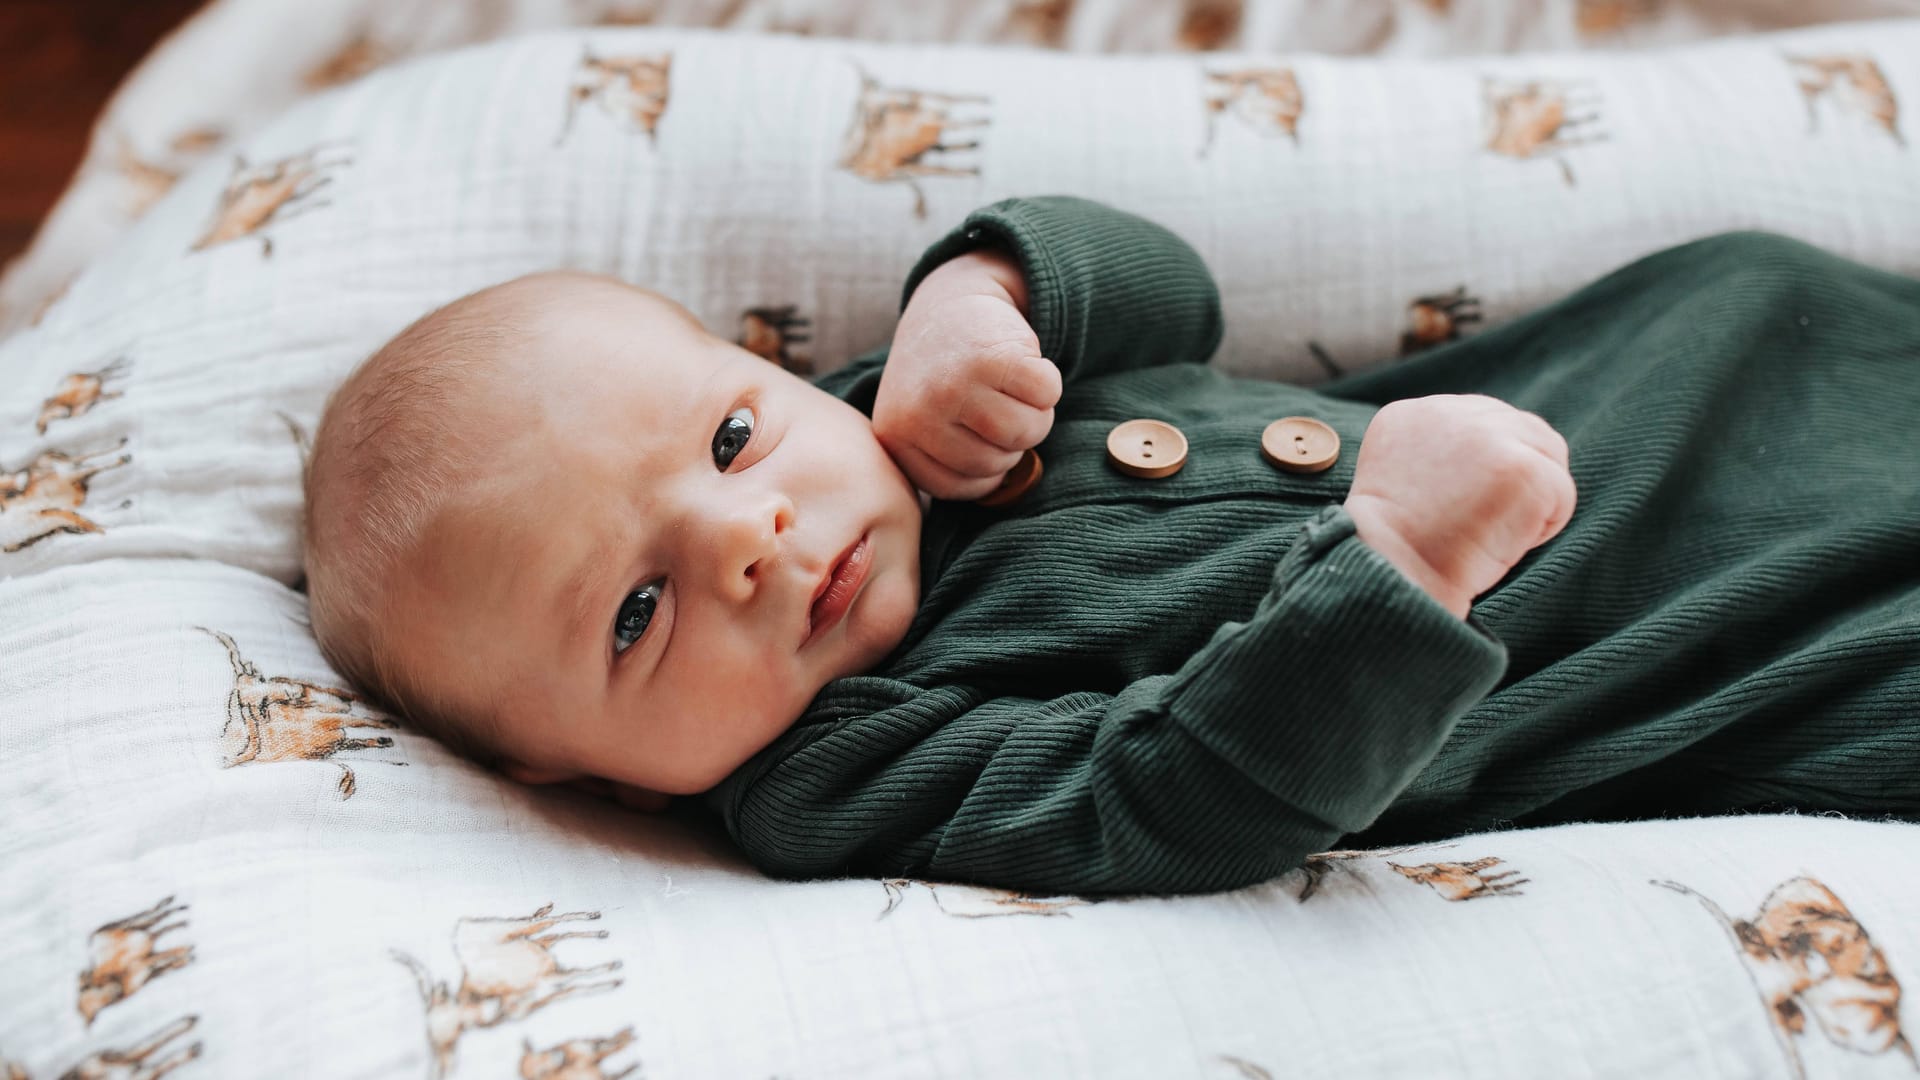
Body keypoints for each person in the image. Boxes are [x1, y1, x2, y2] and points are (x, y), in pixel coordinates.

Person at [302, 196, 1920, 897]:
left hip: (1659, 381)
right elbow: (1173, 799)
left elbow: (1174, 294)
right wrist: (1400, 569)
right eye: (637, 613)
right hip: (1658, 637)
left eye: (730, 436)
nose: (753, 537)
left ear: (766, 369)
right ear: (586, 782)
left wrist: (984, 291)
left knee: (1763, 299)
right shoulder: (839, 774)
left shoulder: (901, 409)